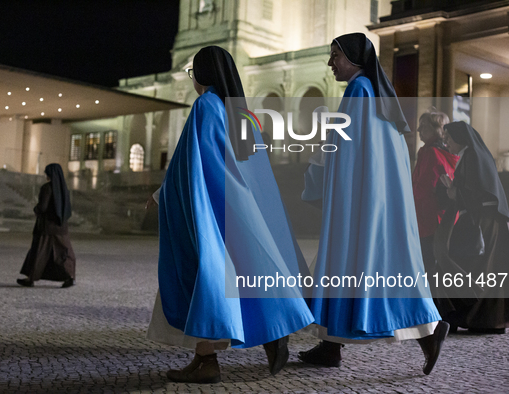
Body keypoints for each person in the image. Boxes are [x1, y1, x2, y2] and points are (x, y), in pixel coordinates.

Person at [145, 45, 314, 383]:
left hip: (206, 208)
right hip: (234, 207)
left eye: (194, 72)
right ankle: (220, 351)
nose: (193, 80)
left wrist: (162, 196)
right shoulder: (240, 112)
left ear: (204, 74)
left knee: (204, 280)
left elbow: (191, 162)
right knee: (221, 280)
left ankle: (208, 362)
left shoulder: (205, 106)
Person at [299, 32, 448, 375]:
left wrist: (322, 174)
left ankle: (430, 331)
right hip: (374, 197)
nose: (330, 62)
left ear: (354, 58)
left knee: (358, 267)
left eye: (335, 55)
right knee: (351, 267)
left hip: (359, 198)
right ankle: (330, 345)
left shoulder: (359, 90)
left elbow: (345, 150)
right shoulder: (376, 92)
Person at [433, 121, 509, 333]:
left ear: (460, 138)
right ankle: (482, 319)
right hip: (483, 220)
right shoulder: (470, 155)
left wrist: (454, 192)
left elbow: (479, 192)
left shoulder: (472, 156)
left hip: (486, 221)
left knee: (482, 269)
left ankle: (484, 319)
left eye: (449, 139)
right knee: (484, 269)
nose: (446, 143)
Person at [412, 108, 458, 275]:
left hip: (426, 218)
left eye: (423, 126)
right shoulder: (447, 152)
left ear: (437, 130)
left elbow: (422, 188)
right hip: (441, 216)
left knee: (427, 263)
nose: (418, 130)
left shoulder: (430, 152)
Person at [17, 163, 76, 288]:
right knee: (64, 251)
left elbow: (42, 207)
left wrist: (36, 209)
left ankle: (31, 278)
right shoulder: (64, 189)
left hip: (46, 227)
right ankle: (69, 276)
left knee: (39, 251)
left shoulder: (47, 188)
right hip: (61, 227)